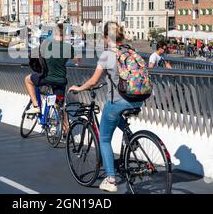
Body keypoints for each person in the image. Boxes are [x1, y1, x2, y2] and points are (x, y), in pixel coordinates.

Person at [68, 22, 143, 193]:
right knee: (113, 116)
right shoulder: (131, 52)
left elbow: (93, 81)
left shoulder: (107, 55)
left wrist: (79, 88)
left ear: (106, 38)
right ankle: (131, 138)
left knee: (104, 138)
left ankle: (110, 179)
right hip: (138, 98)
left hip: (118, 101)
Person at [25, 23, 79, 118]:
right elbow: (77, 62)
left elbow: (34, 55)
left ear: (54, 33)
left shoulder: (46, 44)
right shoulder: (68, 47)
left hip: (46, 78)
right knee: (60, 106)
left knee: (27, 80)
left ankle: (36, 105)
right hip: (61, 81)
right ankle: (64, 130)